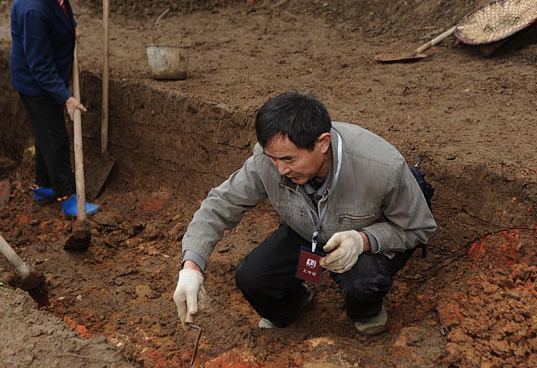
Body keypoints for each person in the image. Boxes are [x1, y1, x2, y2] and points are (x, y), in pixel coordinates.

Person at [173, 92, 437, 335]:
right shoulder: (267, 160)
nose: (280, 170)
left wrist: (362, 241)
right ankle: (295, 301)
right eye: (273, 159)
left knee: (365, 280)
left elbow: (418, 227)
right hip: (306, 230)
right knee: (252, 277)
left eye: (289, 159)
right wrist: (191, 267)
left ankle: (365, 310)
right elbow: (219, 204)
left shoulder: (382, 166)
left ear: (322, 143)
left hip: (366, 233)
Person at [10, 0, 99, 217]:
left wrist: (70, 26)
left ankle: (43, 185)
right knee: (56, 138)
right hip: (37, 84)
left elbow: (61, 5)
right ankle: (68, 197)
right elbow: (40, 67)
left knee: (45, 135)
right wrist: (67, 98)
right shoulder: (33, 9)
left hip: (47, 76)